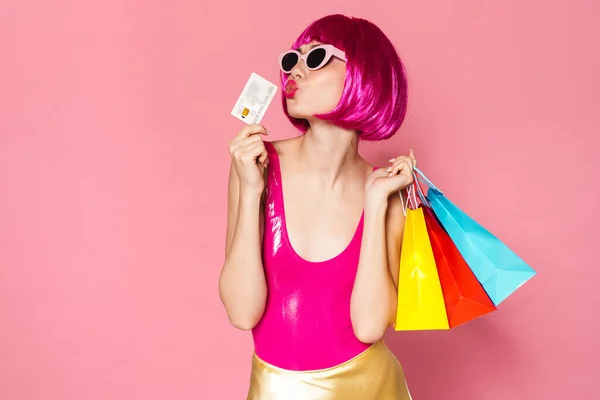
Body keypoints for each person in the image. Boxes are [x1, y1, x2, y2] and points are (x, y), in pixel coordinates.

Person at [219, 13, 416, 400]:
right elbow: (242, 313)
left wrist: (376, 206)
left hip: (370, 388)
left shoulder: (387, 191)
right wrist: (249, 191)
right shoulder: (257, 165)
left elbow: (370, 327)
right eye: (292, 59)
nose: (295, 70)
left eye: (316, 58)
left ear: (364, 74)